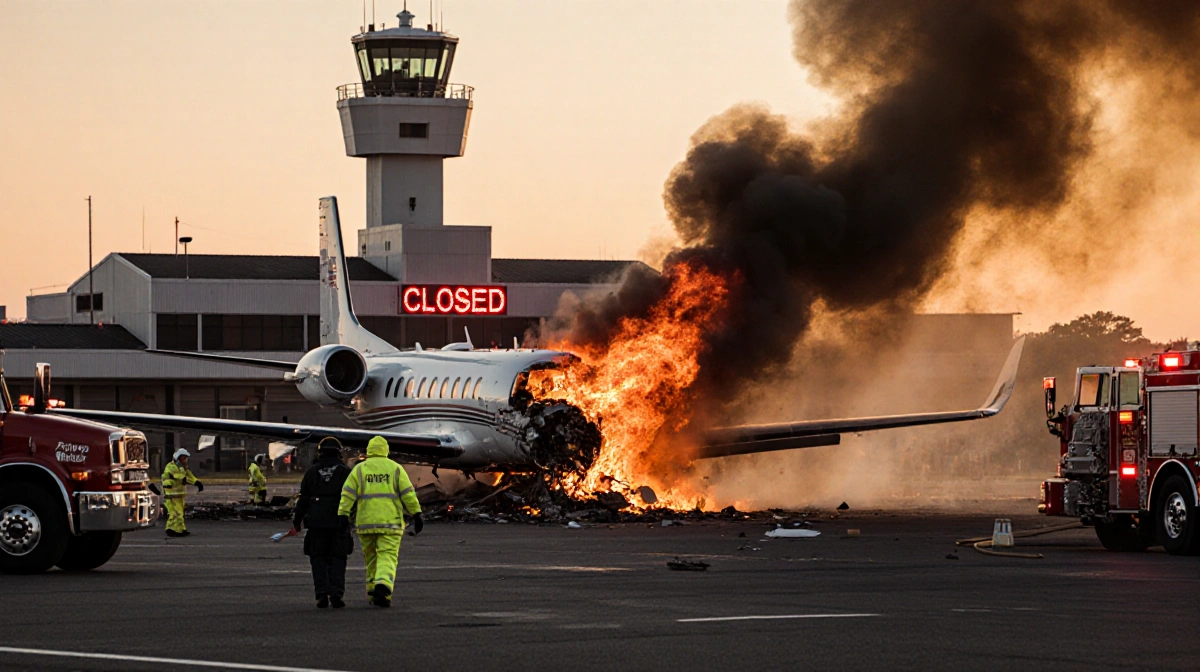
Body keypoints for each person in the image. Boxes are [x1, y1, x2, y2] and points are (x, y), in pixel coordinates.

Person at [337, 436, 423, 607]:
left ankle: (372, 592)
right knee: (387, 556)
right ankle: (383, 587)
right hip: (390, 523)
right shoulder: (396, 469)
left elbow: (347, 494)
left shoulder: (360, 469)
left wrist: (343, 514)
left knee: (370, 559)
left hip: (365, 523)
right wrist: (417, 514)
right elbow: (408, 494)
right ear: (386, 450)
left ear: (369, 451)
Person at [292, 439, 353, 609]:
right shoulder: (345, 472)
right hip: (338, 521)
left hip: (316, 523)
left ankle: (321, 594)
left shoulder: (312, 472)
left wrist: (298, 520)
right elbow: (353, 497)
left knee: (317, 559)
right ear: (338, 452)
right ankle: (336, 592)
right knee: (338, 559)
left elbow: (303, 499)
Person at [161, 448, 203, 537]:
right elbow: (181, 477)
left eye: (185, 458)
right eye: (183, 458)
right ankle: (171, 529)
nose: (184, 460)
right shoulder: (171, 466)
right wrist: (194, 482)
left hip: (179, 494)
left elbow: (189, 475)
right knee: (175, 514)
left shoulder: (182, 467)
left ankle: (180, 529)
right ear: (178, 458)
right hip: (171, 495)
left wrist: (197, 482)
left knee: (180, 513)